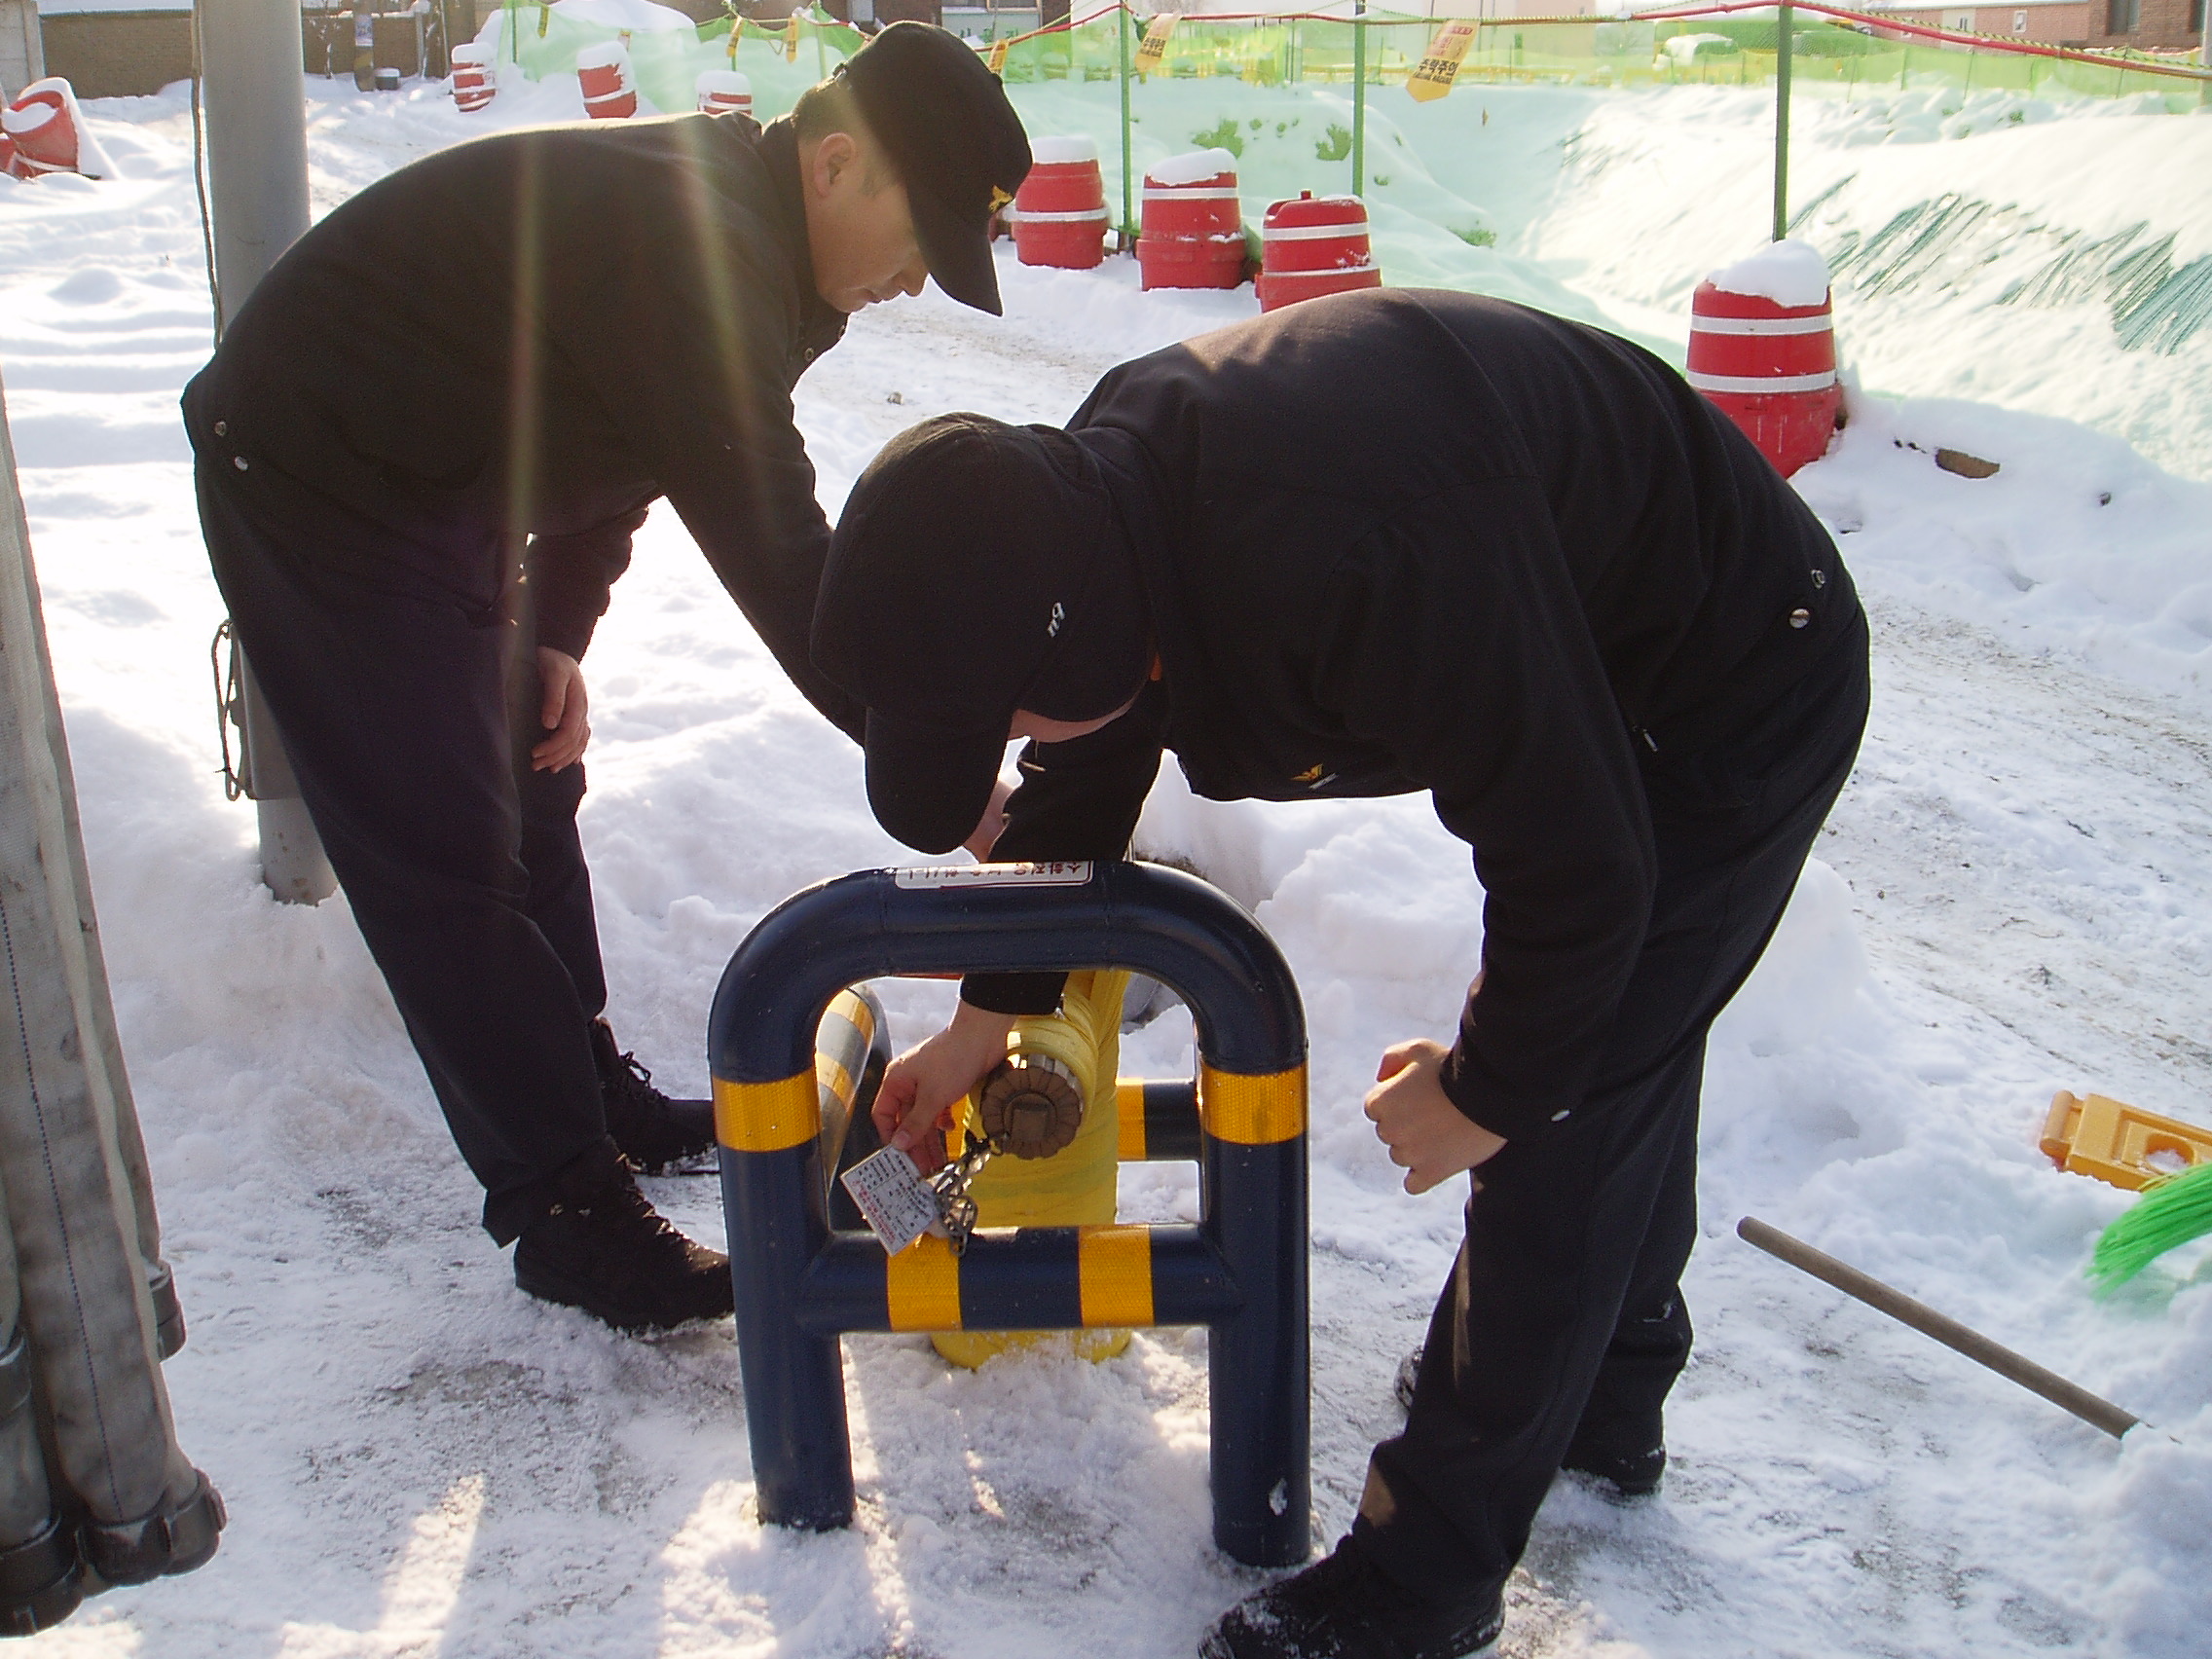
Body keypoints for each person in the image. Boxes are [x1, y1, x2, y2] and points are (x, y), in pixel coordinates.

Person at [808, 288, 1869, 1659]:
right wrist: (985, 1018)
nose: (1015, 743)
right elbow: (1091, 754)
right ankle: (1608, 1392)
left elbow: (1584, 872)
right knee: (1614, 1061)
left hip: (1735, 672)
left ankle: (1425, 1579)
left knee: (1573, 1101)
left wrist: (1489, 1089)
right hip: (1580, 639)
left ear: (1078, 640)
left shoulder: (1355, 554)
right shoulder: (1084, 505)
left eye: (1005, 714)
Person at [183, 23, 1030, 1334]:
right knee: (442, 844)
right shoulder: (696, 243)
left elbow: (631, 446)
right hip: (318, 468)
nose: (916, 283)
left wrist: (560, 631)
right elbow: (784, 557)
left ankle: (586, 1091)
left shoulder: (765, 253)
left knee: (530, 764)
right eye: (921, 240)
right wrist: (946, 773)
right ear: (835, 163)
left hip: (443, 470)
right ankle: (565, 1208)